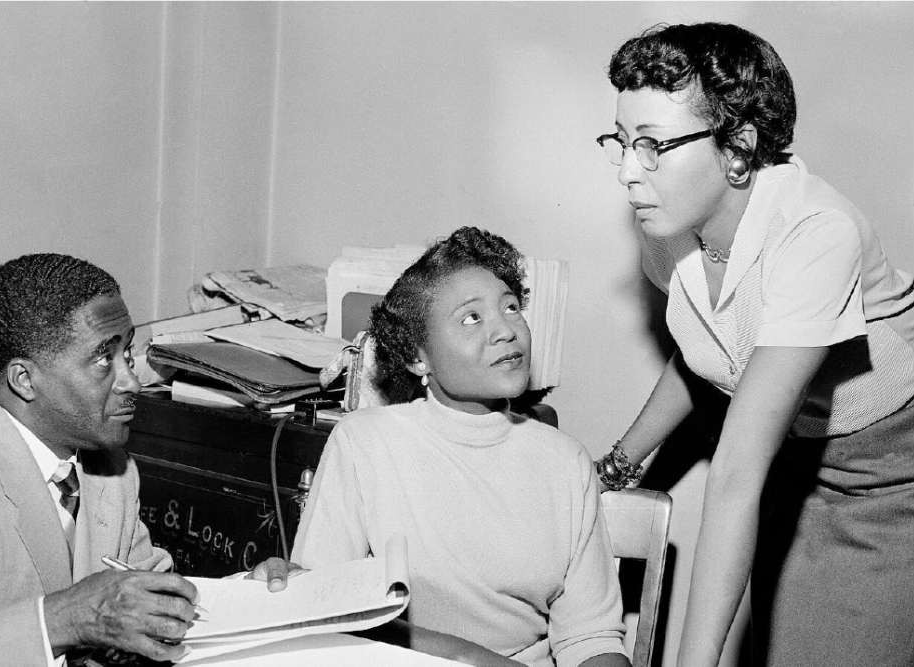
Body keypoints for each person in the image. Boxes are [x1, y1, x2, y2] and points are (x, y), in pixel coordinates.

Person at [593, 22, 914, 667]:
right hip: (793, 463)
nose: (629, 172)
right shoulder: (667, 228)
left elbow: (736, 471)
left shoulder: (817, 234)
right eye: (623, 142)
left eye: (654, 145)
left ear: (738, 149)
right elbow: (711, 350)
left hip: (890, 485)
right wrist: (616, 464)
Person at [0, 252, 291, 666]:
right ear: (25, 380)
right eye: (103, 359)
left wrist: (246, 595)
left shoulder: (111, 470)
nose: (132, 381)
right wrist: (62, 621)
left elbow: (141, 591)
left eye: (127, 351)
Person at [292, 227, 630, 667]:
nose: (506, 331)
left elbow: (592, 639)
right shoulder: (363, 443)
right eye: (472, 318)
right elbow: (325, 610)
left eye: (511, 308)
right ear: (419, 358)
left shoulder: (566, 462)